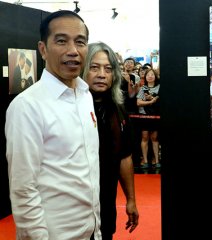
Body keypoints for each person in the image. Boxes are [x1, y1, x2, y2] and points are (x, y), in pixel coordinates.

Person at [5, 10, 102, 239]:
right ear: (43, 49)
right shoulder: (28, 106)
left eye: (80, 42)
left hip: (91, 230)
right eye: (61, 41)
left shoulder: (85, 95)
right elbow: (23, 188)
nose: (73, 51)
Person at [82, 41, 139, 239]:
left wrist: (131, 199)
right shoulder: (69, 109)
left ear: (114, 74)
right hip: (71, 210)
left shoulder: (118, 111)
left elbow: (125, 157)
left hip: (106, 203)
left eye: (108, 68)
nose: (101, 74)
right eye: (94, 67)